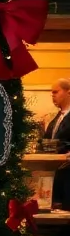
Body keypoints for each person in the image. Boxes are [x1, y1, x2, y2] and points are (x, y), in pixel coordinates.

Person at [45, 79, 70, 207]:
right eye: (51, 93)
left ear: (68, 92)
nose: (52, 95)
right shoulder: (55, 119)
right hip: (55, 174)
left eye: (56, 92)